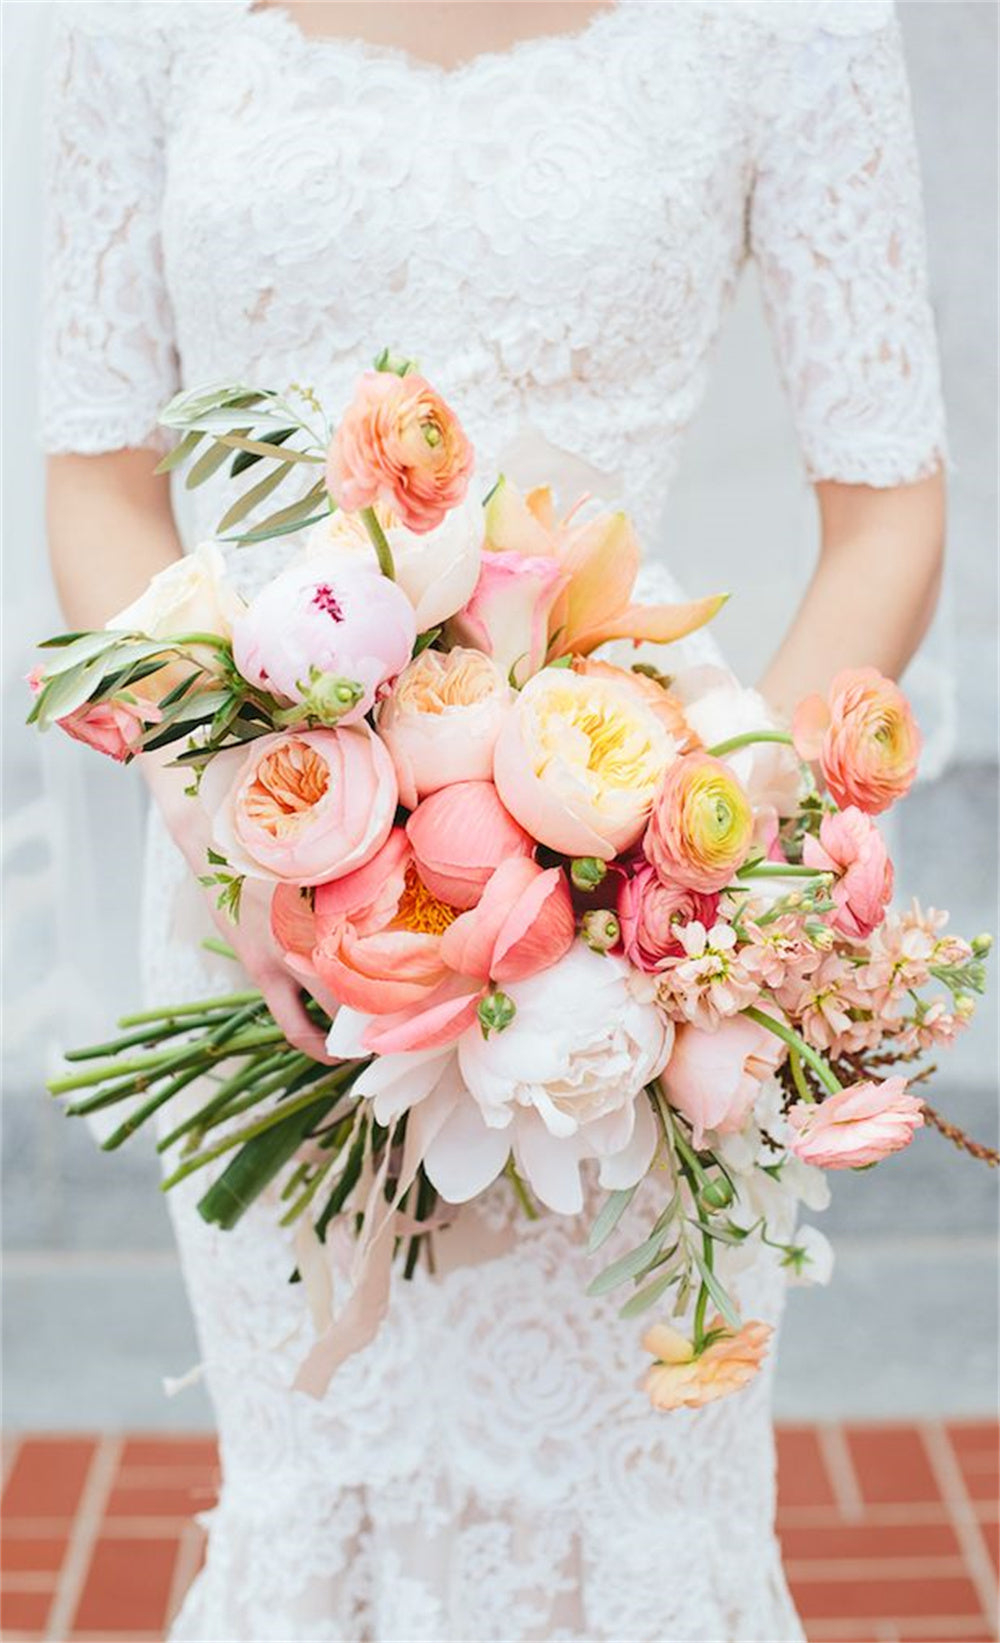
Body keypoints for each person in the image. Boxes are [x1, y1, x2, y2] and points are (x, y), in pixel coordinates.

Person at [40, 3, 946, 1638]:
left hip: (646, 875)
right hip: (262, 861)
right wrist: (230, 810)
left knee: (635, 1497)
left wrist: (699, 857)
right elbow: (96, 483)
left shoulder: (795, 20)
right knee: (324, 1475)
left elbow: (891, 506)